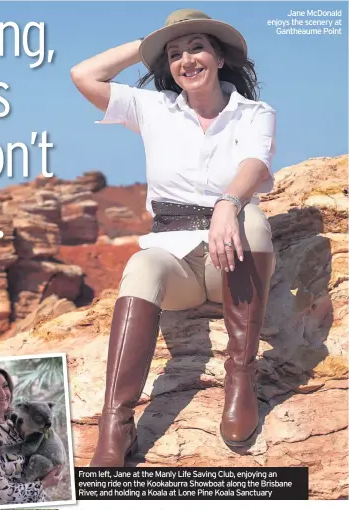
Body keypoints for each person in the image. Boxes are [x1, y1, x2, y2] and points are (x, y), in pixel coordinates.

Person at [70, 9, 276, 467]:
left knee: (255, 220)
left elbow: (255, 165)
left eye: (197, 47)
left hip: (232, 260)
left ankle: (240, 375)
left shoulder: (254, 113)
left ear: (220, 56)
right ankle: (116, 423)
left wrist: (229, 204)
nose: (187, 59)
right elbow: (82, 74)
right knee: (140, 265)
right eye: (175, 53)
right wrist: (149, 41)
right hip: (176, 261)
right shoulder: (154, 109)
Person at [0, 365, 62, 506]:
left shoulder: (12, 422)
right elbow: (0, 496)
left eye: (5, 386)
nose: (3, 394)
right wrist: (44, 483)